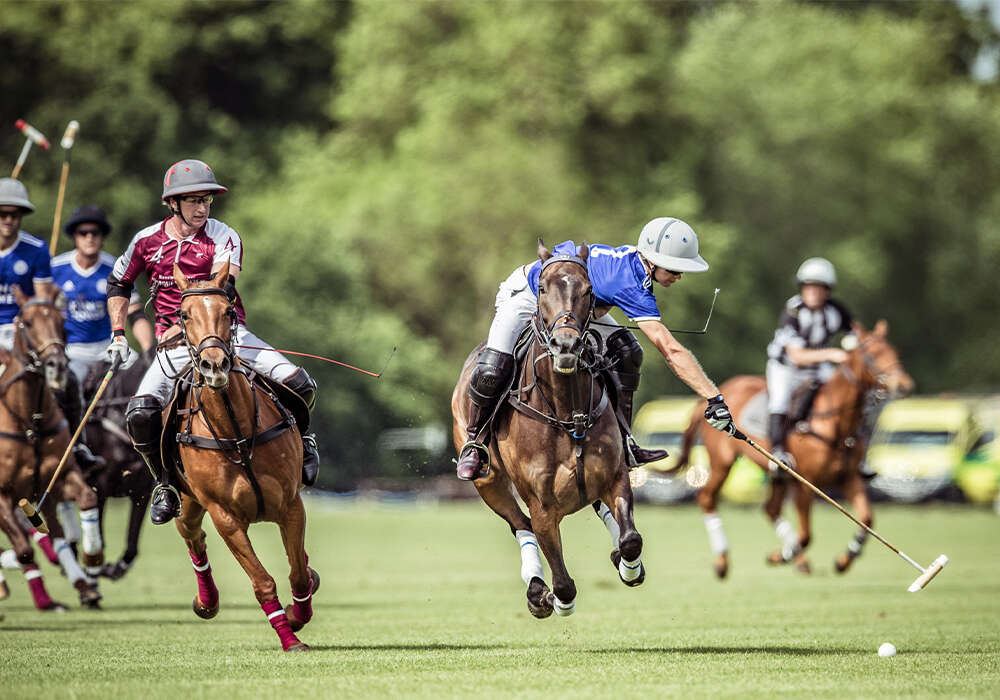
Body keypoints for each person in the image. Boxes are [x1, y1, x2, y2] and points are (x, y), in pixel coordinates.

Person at [104, 159, 320, 525]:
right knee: (140, 414)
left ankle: (305, 440)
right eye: (192, 201)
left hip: (227, 337)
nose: (202, 208)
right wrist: (119, 334)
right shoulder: (146, 241)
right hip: (173, 347)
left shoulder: (223, 236)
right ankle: (165, 483)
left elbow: (223, 285)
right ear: (172, 203)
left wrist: (190, 327)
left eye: (206, 200)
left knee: (299, 382)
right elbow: (119, 283)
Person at [455, 217, 737, 481]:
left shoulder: (635, 267)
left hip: (580, 305)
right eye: (675, 269)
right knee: (493, 367)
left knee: (628, 352)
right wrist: (713, 397)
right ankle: (475, 442)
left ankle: (625, 441)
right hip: (533, 293)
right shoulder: (629, 284)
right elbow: (671, 351)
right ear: (651, 261)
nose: (679, 276)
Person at [52, 205, 155, 473]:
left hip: (111, 348)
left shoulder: (115, 267)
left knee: (151, 384)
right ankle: (76, 449)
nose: (89, 237)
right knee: (65, 390)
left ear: (102, 236)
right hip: (72, 351)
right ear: (75, 236)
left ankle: (154, 453)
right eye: (83, 232)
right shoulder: (56, 268)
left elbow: (135, 315)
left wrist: (148, 350)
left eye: (95, 232)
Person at [764, 257, 855, 471]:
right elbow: (797, 355)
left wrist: (856, 345)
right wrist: (832, 353)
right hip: (786, 367)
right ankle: (777, 453)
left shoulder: (836, 311)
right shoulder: (793, 311)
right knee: (780, 400)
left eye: (818, 287)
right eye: (808, 286)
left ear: (828, 290)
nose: (813, 292)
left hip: (818, 368)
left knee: (851, 393)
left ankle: (855, 447)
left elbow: (856, 332)